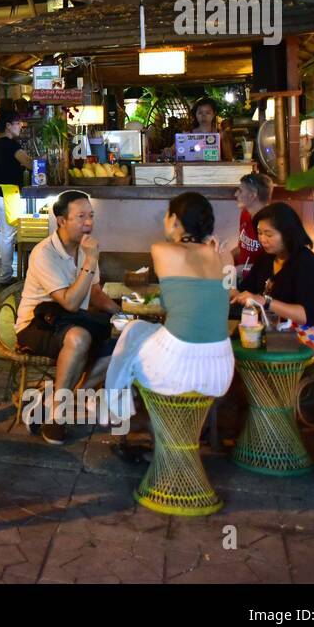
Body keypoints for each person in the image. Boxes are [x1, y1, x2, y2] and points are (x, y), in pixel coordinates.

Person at [102, 193, 235, 458]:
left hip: (178, 366)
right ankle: (128, 419)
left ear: (174, 219)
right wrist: (215, 251)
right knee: (139, 333)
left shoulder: (161, 250)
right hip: (220, 368)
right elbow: (228, 294)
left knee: (131, 331)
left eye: (167, 215)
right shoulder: (226, 257)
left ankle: (116, 417)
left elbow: (170, 299)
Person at [14, 190, 121, 445]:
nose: (89, 223)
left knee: (124, 342)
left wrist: (123, 313)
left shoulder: (84, 249)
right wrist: (91, 260)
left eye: (91, 216)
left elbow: (93, 292)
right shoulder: (44, 253)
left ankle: (57, 400)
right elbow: (70, 303)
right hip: (37, 325)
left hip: (72, 322)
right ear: (61, 221)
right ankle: (58, 417)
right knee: (79, 338)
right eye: (81, 216)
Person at [233, 202, 314, 329]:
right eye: (259, 233)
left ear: (288, 234)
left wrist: (265, 302)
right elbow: (245, 290)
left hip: (304, 338)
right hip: (270, 333)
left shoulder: (308, 264)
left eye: (269, 234)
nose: (262, 239)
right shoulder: (265, 260)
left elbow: (307, 316)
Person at [0, 110, 33, 285]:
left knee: (3, 233)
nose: (20, 126)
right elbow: (29, 163)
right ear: (8, 126)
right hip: (8, 193)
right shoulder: (11, 146)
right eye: (17, 123)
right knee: (9, 234)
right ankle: (5, 276)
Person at [233, 172, 272, 277]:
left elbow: (273, 265)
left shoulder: (271, 222)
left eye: (240, 191)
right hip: (242, 277)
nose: (235, 194)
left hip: (259, 282)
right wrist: (222, 258)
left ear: (252, 195)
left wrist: (240, 270)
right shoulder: (245, 214)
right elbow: (242, 248)